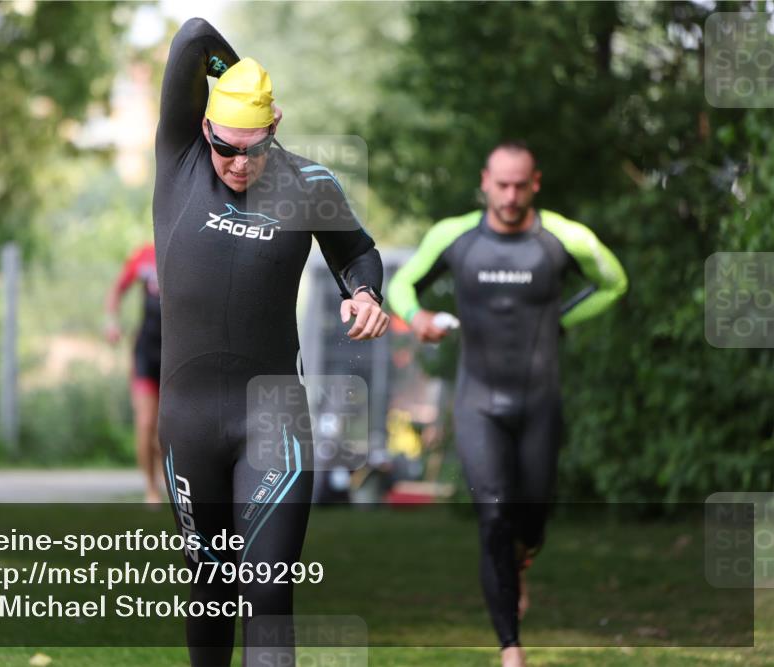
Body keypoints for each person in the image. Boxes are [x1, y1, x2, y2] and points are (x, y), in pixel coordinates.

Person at [154, 18, 389, 667]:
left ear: (275, 126)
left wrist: (367, 295)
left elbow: (359, 253)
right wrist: (232, 74)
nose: (236, 161)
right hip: (189, 423)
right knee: (209, 587)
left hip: (274, 423)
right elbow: (192, 35)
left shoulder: (309, 185)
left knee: (266, 593)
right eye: (225, 146)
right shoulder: (179, 164)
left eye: (252, 148)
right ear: (206, 130)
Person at [387, 142, 627, 667]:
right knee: (493, 515)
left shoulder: (564, 238)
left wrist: (563, 320)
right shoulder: (455, 237)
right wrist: (417, 315)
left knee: (533, 520)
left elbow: (613, 283)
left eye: (521, 185)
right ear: (485, 182)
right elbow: (402, 282)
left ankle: (522, 559)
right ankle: (510, 647)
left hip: (539, 402)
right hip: (479, 403)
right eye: (502, 185)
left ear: (535, 183)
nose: (511, 195)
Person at [105, 242, 163, 503]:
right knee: (146, 422)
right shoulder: (144, 255)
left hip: (178, 353)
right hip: (146, 351)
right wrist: (111, 323)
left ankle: (172, 482)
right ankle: (151, 489)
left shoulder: (190, 246)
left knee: (168, 430)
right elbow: (117, 289)